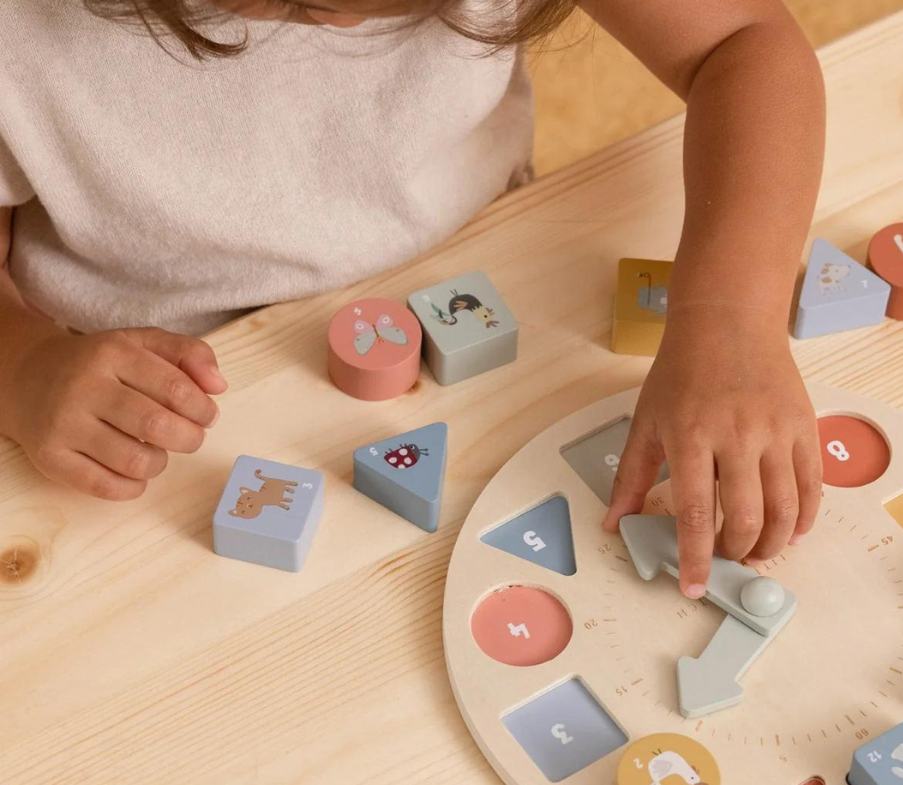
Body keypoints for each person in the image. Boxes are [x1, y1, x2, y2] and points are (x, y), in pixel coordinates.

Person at [0, 0, 824, 598]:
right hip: (142, 399)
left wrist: (731, 318)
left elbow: (744, 41)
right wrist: (25, 363)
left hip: (484, 293)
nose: (344, 27)